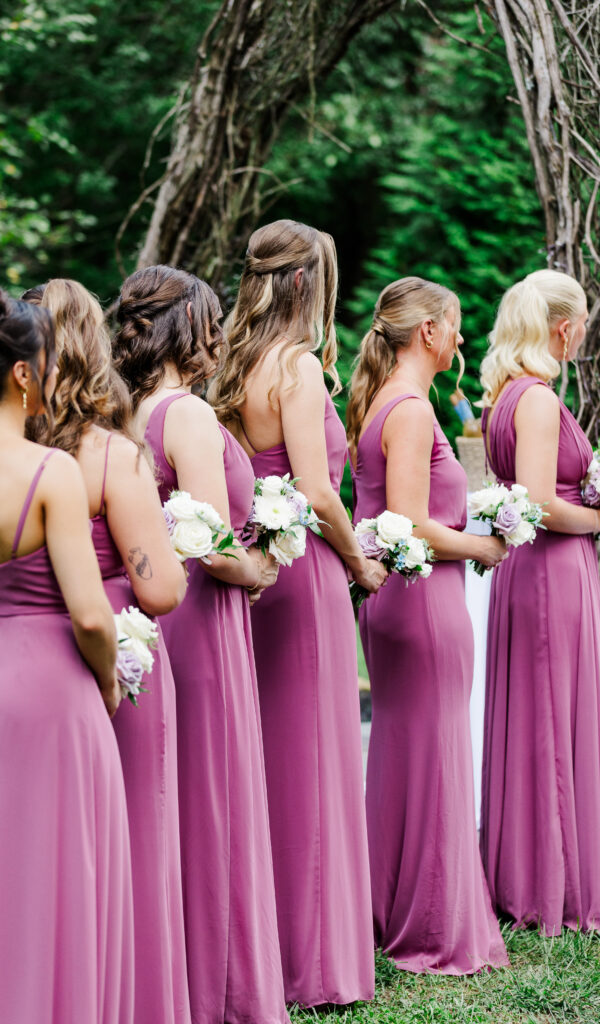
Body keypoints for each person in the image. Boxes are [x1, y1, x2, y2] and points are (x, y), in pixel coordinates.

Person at [209, 219, 386, 1007]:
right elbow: (316, 493)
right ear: (308, 283)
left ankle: (264, 948)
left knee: (272, 759)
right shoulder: (299, 366)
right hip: (307, 571)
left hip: (257, 571)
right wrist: (359, 562)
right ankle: (315, 966)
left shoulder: (229, 359)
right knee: (314, 760)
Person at [114, 264, 289, 1024]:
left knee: (175, 798)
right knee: (212, 797)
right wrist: (258, 566)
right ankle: (221, 989)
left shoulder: (124, 412)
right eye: (211, 321)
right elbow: (212, 541)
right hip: (203, 618)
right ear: (187, 327)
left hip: (158, 621)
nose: (219, 337)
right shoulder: (183, 413)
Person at [24, 278, 191, 1024]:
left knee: (42, 852)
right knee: (138, 838)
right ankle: (140, 1001)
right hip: (110, 653)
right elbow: (158, 593)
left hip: (26, 660)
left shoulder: (16, 452)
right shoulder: (108, 456)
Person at [346, 276, 509, 974]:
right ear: (429, 333)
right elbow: (409, 522)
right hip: (420, 601)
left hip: (403, 603)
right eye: (456, 326)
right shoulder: (410, 410)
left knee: (405, 755)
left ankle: (391, 907)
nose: (463, 338)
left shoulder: (391, 402)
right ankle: (433, 927)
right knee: (434, 757)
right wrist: (481, 546)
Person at [479, 268, 600, 935]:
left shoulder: (502, 398)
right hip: (550, 573)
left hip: (525, 572)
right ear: (563, 326)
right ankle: (555, 885)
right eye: (579, 326)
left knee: (539, 714)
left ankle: (528, 870)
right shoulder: (539, 400)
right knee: (552, 718)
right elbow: (542, 505)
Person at [0, 290, 134, 1022]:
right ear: (25, 375)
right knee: (56, 873)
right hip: (49, 692)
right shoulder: (49, 471)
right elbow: (89, 613)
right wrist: (110, 677)